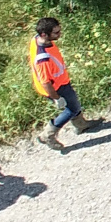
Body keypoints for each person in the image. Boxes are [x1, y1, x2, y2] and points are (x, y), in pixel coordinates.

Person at [31, 17, 96, 149]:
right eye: (56, 33)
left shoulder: (36, 39)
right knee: (72, 109)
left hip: (61, 82)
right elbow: (45, 83)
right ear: (44, 34)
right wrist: (57, 98)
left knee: (74, 104)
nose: (59, 34)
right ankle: (47, 135)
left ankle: (80, 125)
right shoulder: (43, 59)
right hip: (57, 88)